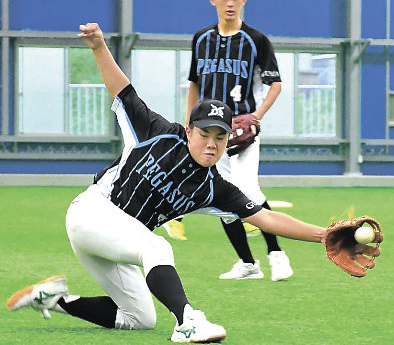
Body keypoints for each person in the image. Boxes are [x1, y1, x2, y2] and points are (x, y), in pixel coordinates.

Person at [6, 23, 328, 343]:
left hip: (119, 238)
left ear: (229, 139)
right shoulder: (156, 131)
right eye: (204, 134)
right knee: (157, 245)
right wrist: (99, 47)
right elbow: (122, 89)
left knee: (139, 318)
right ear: (189, 130)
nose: (212, 144)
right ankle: (186, 321)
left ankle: (53, 299)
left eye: (220, 136)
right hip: (90, 214)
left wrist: (325, 235)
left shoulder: (214, 187)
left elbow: (267, 218)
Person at [175, 0, 292, 281]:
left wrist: (257, 116)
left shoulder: (256, 40)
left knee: (248, 189)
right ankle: (248, 264)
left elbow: (275, 85)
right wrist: (190, 127)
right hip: (210, 134)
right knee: (222, 196)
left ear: (244, 0)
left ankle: (276, 254)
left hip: (242, 132)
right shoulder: (201, 38)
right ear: (213, 0)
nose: (230, 2)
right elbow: (194, 85)